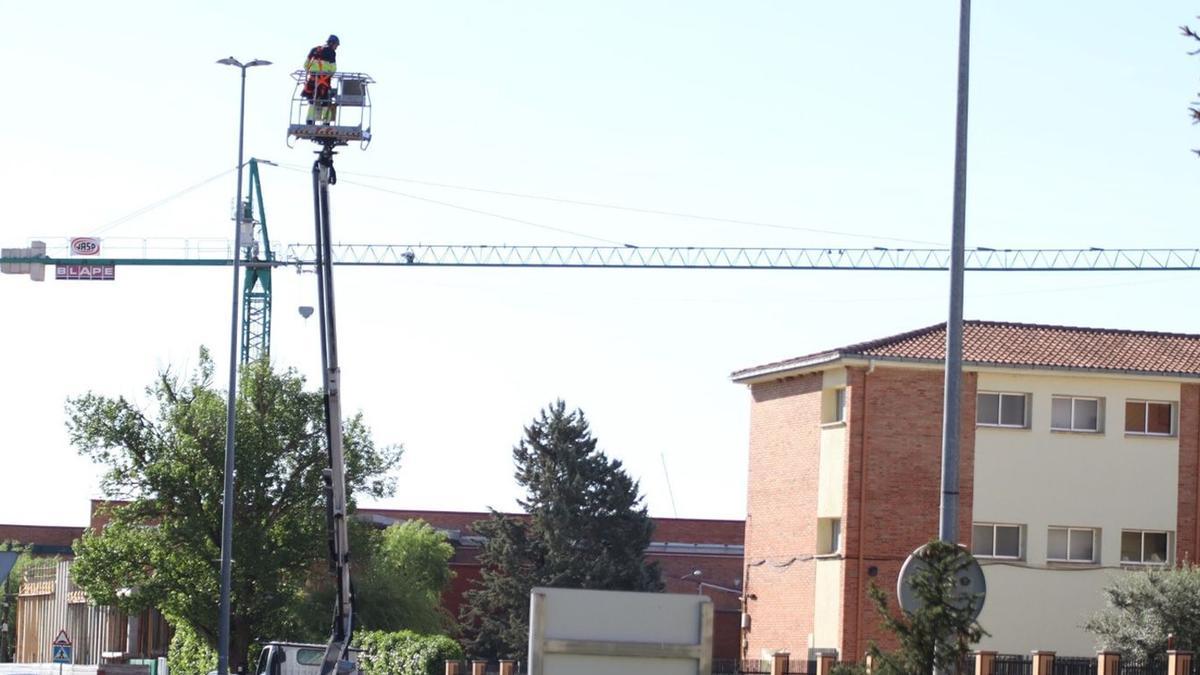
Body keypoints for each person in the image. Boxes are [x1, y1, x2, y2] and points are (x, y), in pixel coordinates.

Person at [303, 35, 339, 124]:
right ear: (332, 43)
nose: (336, 48)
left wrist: (313, 72)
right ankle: (326, 122)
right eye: (336, 45)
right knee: (326, 101)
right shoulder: (331, 52)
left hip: (312, 80)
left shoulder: (314, 50)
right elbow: (333, 69)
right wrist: (328, 74)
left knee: (312, 100)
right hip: (324, 81)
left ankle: (309, 120)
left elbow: (305, 65)